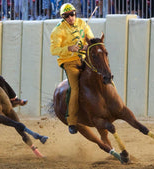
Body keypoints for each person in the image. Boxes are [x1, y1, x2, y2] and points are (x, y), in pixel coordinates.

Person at [50, 3, 94, 134]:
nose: (70, 18)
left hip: (84, 58)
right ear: (63, 17)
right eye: (66, 16)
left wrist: (87, 46)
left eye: (72, 14)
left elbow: (91, 40)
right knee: (75, 88)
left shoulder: (83, 24)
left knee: (102, 73)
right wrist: (69, 48)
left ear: (75, 13)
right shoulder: (57, 31)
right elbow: (54, 50)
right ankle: (72, 121)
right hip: (69, 62)